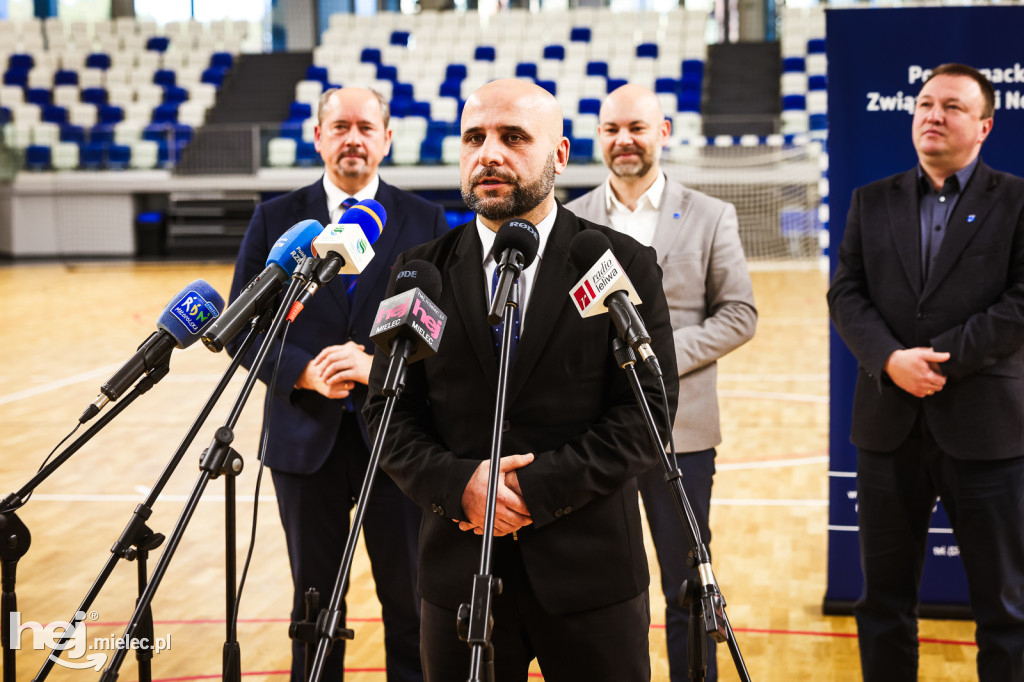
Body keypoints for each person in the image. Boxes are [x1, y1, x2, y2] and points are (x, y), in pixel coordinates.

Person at [364, 78, 678, 681]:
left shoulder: (622, 264)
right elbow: (386, 413)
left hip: (591, 576)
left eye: (513, 138)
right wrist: (459, 486)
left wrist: (528, 494)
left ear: (558, 156)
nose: (490, 154)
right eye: (474, 138)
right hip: (459, 572)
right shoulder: (418, 272)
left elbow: (648, 414)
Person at [227, 86, 448, 682]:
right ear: (318, 135)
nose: (353, 138)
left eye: (366, 127)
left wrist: (382, 369)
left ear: (386, 139)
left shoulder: (426, 219)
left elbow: (446, 326)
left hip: (399, 439)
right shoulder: (275, 218)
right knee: (314, 604)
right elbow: (241, 325)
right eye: (341, 126)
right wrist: (301, 369)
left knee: (410, 599)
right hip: (305, 438)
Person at [827, 63, 1024, 681]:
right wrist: (889, 359)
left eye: (952, 108)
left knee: (1005, 608)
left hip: (987, 430)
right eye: (925, 104)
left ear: (985, 126)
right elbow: (846, 294)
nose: (933, 116)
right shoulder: (871, 199)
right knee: (882, 602)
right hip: (888, 428)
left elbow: (1020, 301)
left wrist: (938, 360)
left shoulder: (1017, 201)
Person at [566, 82, 756, 682]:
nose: (625, 141)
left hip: (683, 434)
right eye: (612, 129)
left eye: (637, 128)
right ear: (599, 138)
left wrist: (659, 355)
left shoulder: (710, 215)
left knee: (686, 587)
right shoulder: (572, 221)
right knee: (600, 588)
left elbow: (739, 314)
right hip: (595, 435)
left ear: (663, 132)